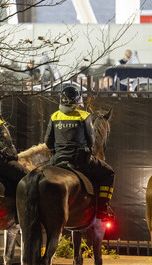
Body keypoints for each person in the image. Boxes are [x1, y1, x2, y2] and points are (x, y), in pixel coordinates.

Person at [45, 86, 115, 222]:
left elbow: (48, 141)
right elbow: (91, 141)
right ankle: (102, 208)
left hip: (57, 160)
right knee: (108, 172)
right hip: (80, 160)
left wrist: (57, 151)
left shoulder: (54, 116)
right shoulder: (84, 116)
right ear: (77, 101)